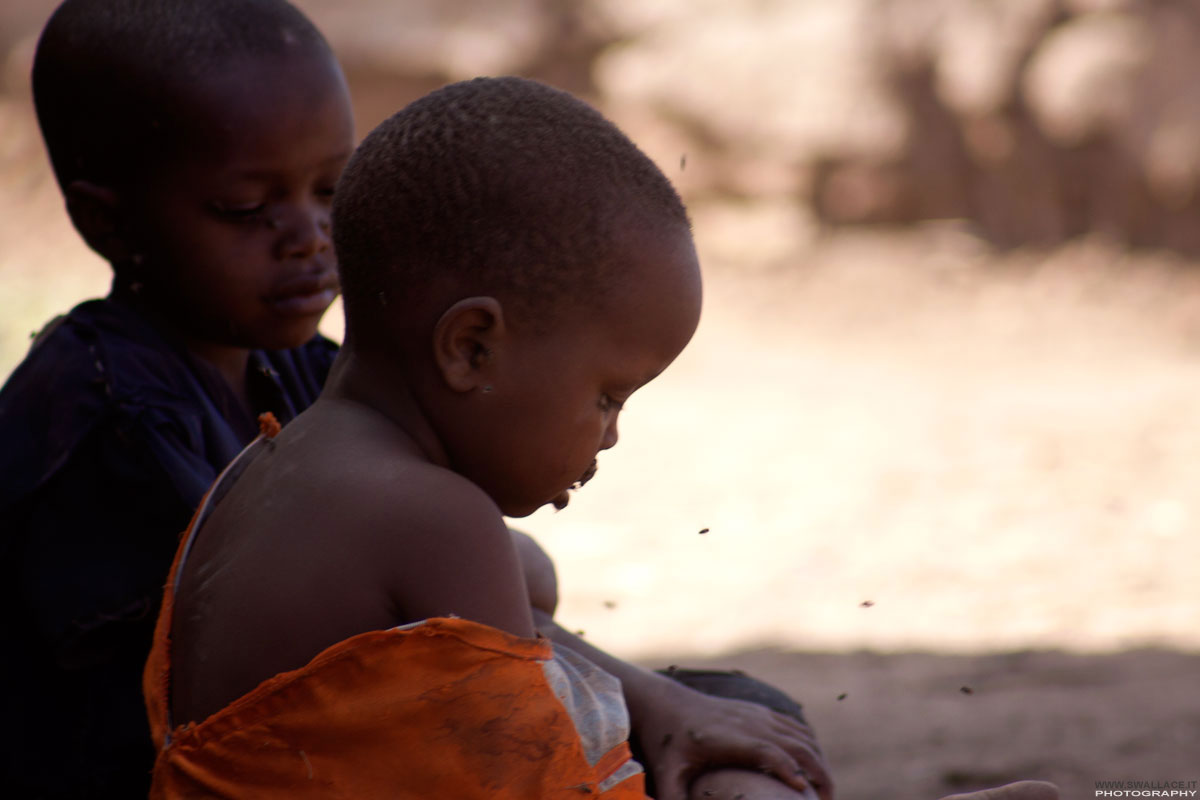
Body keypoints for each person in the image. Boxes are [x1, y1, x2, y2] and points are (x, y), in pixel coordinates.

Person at [145, 76, 1057, 800]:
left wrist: (662, 711)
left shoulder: (281, 461)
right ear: (471, 346)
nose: (613, 436)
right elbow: (549, 784)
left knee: (626, 644)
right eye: (609, 395)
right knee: (746, 752)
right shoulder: (432, 518)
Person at [0, 1, 354, 795]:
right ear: (107, 221)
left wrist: (652, 694)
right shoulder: (107, 422)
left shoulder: (293, 365)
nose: (308, 235)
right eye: (244, 208)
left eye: (332, 188)